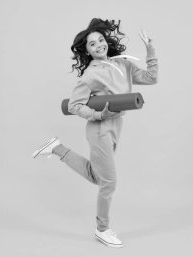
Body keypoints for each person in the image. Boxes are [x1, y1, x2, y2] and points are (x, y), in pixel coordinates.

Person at [33, 18, 158, 248]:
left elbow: (151, 78)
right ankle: (102, 229)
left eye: (100, 40)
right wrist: (99, 115)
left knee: (97, 176)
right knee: (108, 182)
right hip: (100, 129)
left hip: (116, 127)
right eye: (92, 44)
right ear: (86, 51)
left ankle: (56, 148)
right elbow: (73, 106)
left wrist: (150, 49)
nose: (99, 45)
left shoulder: (124, 64)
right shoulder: (90, 75)